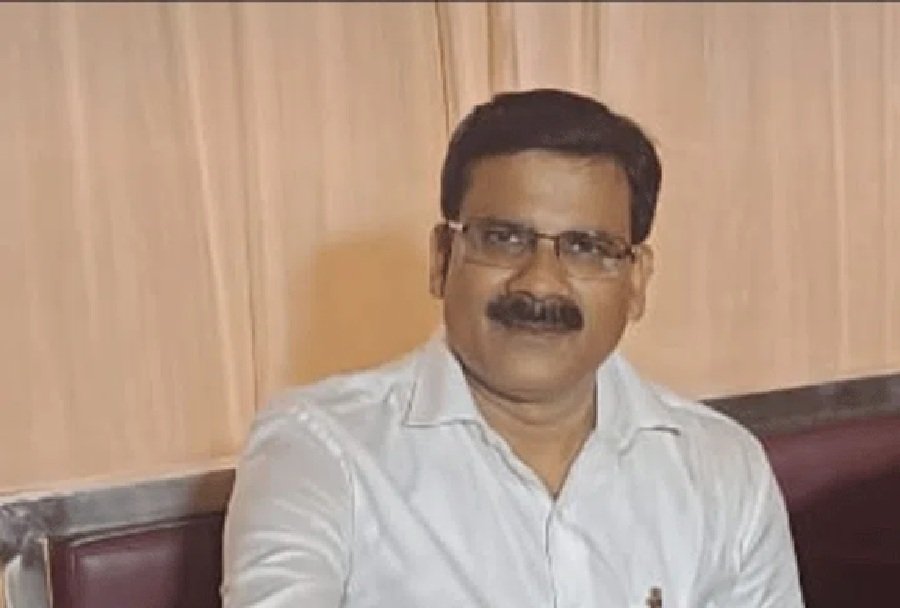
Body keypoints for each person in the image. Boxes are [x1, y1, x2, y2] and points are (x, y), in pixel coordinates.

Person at [222, 89, 804, 607]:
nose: (540, 283)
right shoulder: (321, 451)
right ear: (442, 259)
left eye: (586, 247)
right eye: (504, 239)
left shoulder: (722, 467)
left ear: (636, 281)